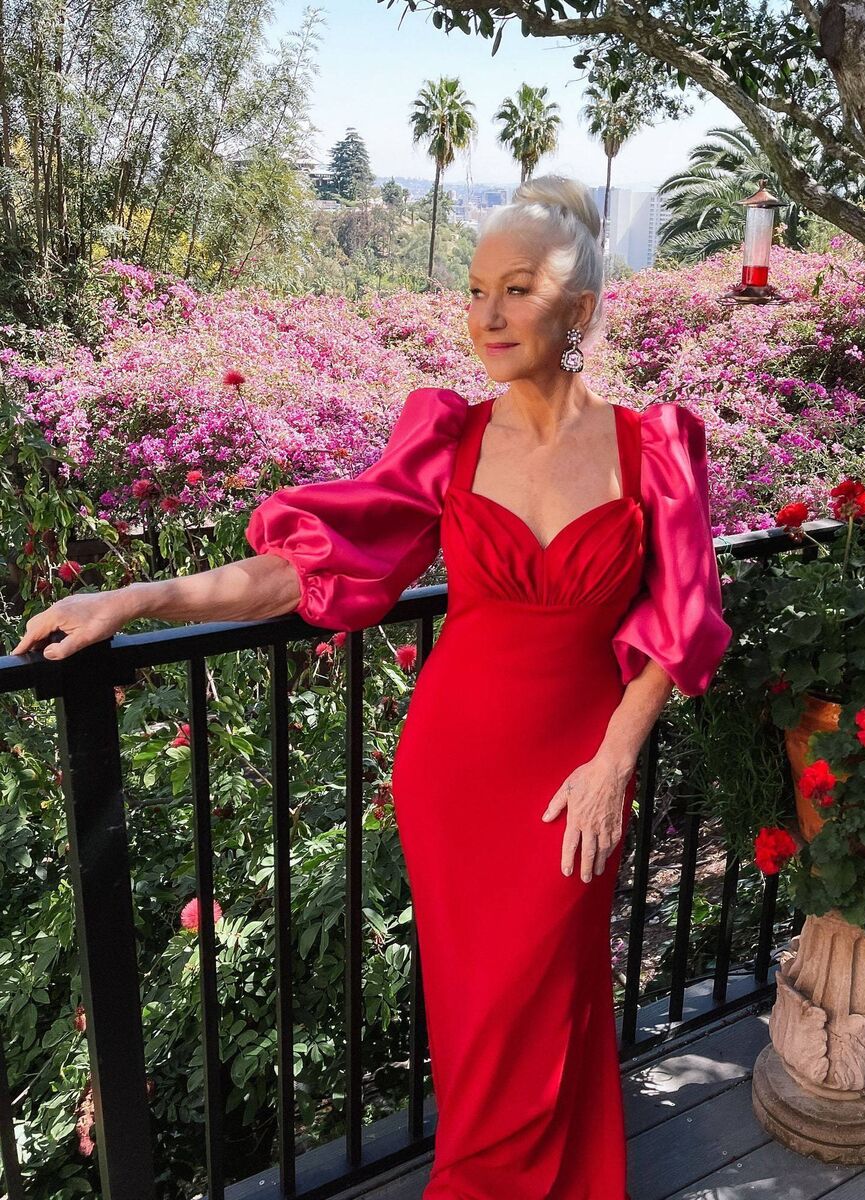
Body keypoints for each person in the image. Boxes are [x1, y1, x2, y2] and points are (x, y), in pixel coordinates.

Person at [12, 174, 733, 1199]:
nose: (487, 314)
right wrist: (135, 597)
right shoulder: (447, 439)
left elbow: (682, 620)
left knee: (551, 992)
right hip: (453, 776)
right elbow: (294, 574)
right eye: (477, 289)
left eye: (519, 289)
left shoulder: (655, 448)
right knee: (483, 1023)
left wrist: (613, 761)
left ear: (580, 306)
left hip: (576, 779)